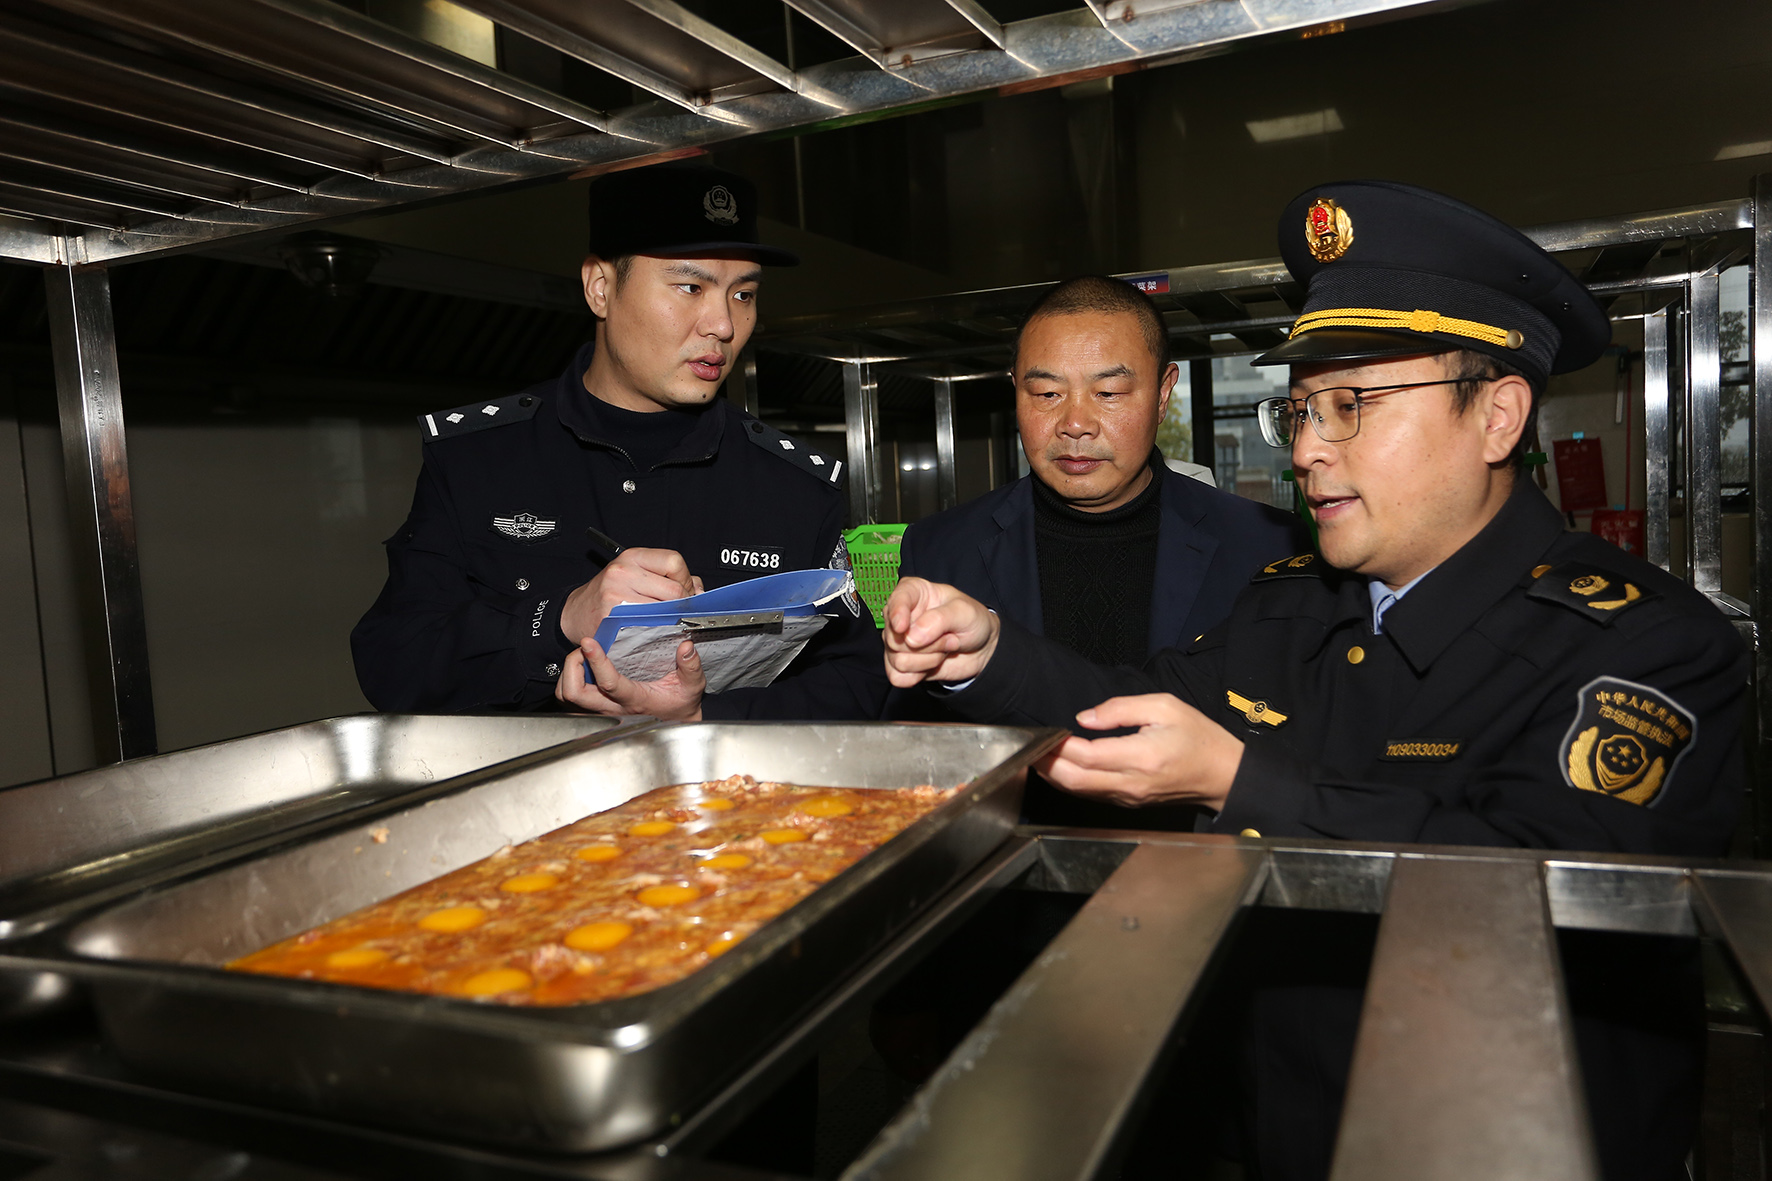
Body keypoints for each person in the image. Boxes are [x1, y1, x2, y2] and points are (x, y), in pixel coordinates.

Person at [882, 181, 1748, 1180]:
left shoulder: (1646, 646)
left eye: (1351, 407)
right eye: (1297, 410)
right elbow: (1129, 709)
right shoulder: (1291, 603)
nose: (1304, 450)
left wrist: (1239, 782)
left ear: (1498, 414)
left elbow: (1543, 886)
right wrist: (987, 651)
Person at [352, 164, 887, 723]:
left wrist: (700, 719)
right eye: (690, 287)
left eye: (744, 294)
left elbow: (860, 682)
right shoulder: (476, 459)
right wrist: (560, 619)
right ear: (601, 287)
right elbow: (393, 663)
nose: (724, 325)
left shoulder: (795, 488)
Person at [890, 274, 1308, 830]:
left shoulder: (1269, 548)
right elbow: (912, 754)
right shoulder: (942, 550)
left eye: (1108, 393)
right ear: (1015, 391)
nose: (1075, 425)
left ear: (1163, 393)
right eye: (1046, 394)